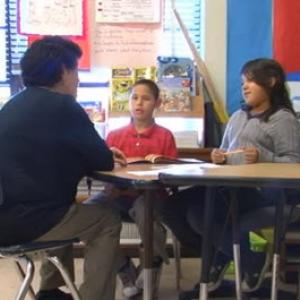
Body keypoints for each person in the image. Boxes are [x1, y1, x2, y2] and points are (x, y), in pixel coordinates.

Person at [0, 36, 127, 300]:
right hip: (28, 222)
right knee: (106, 219)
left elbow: (48, 155)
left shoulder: (12, 106)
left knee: (65, 206)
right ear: (61, 71)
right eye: (75, 70)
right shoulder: (64, 106)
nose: (78, 79)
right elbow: (102, 160)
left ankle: (51, 290)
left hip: (8, 217)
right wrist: (102, 153)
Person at [160, 58, 300, 296]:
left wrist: (262, 157)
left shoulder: (282, 118)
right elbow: (226, 152)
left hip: (262, 193)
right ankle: (227, 255)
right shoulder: (238, 116)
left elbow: (294, 164)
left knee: (199, 214)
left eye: (251, 81)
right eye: (243, 82)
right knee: (168, 206)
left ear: (272, 82)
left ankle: (246, 258)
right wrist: (219, 156)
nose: (244, 87)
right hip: (228, 185)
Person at [87, 78, 178, 298]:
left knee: (145, 213)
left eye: (146, 98)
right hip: (116, 194)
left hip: (150, 195)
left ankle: (151, 266)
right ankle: (123, 268)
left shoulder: (165, 135)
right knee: (87, 214)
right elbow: (104, 168)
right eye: (134, 97)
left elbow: (172, 175)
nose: (139, 103)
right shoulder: (114, 135)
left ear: (157, 103)